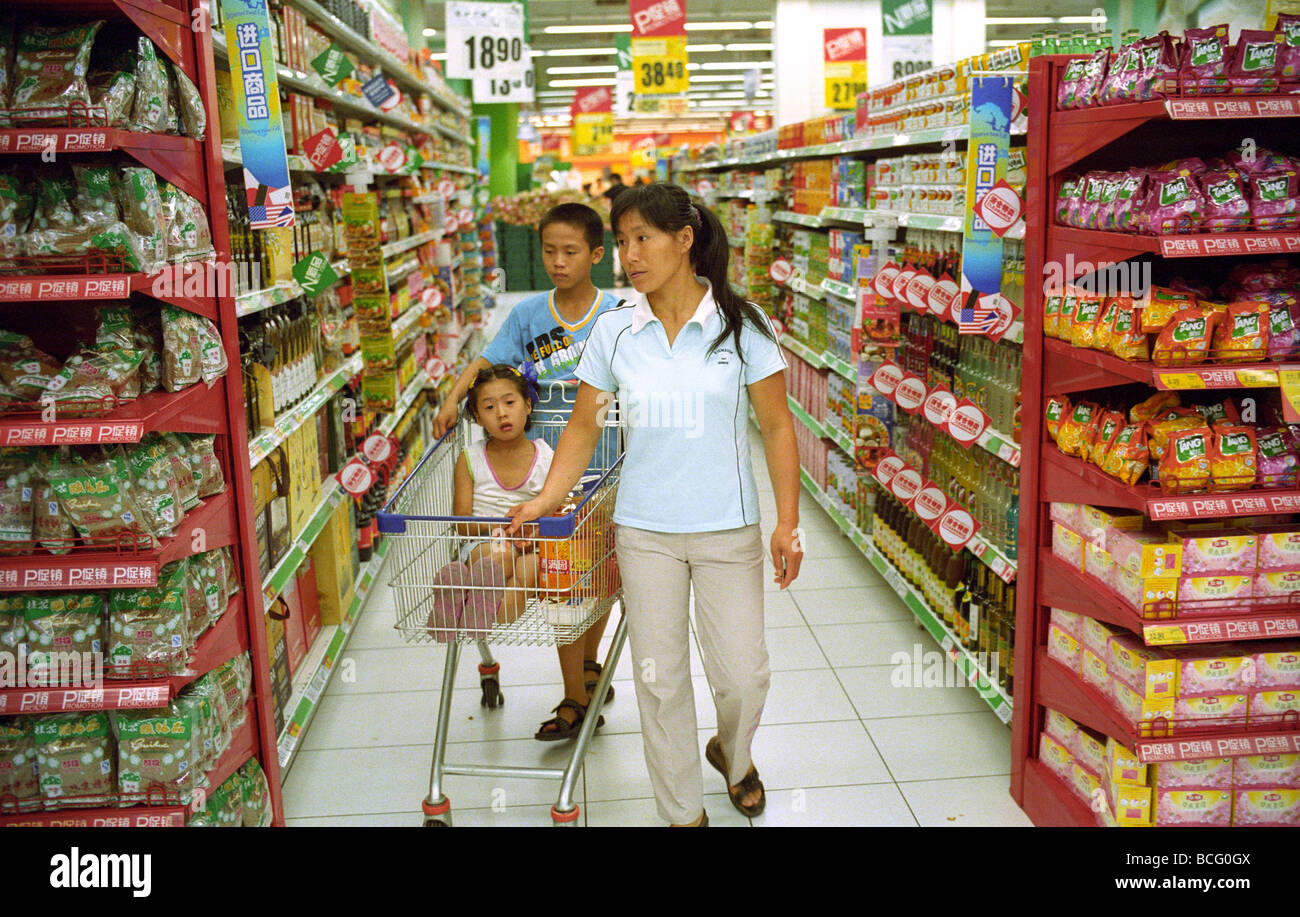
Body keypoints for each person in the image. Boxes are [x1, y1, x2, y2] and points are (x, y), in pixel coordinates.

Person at [507, 183, 803, 827]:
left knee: (743, 676)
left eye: (643, 238)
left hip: (729, 526)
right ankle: (682, 814)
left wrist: (787, 521)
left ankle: (732, 748)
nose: (630, 255)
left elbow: (777, 426)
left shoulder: (743, 324)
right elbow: (584, 426)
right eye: (622, 242)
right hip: (643, 530)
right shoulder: (616, 329)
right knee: (660, 680)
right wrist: (546, 498)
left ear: (685, 239)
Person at [433, 202, 624, 741]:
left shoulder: (616, 317)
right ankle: (575, 689)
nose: (558, 263)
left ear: (595, 254)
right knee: (565, 575)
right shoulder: (527, 317)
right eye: (549, 252)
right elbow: (485, 365)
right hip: (552, 475)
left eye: (570, 252)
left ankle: (587, 667)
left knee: (600, 575)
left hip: (605, 466)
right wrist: (453, 399)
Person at [426, 365, 551, 641]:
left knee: (526, 574)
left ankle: (464, 608)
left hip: (532, 545)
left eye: (509, 402)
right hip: (483, 541)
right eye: (489, 407)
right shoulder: (470, 459)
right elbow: (461, 523)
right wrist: (503, 527)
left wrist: (533, 529)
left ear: (527, 405)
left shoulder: (545, 456)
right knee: (500, 555)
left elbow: (555, 507)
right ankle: (467, 595)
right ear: (477, 417)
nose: (502, 413)